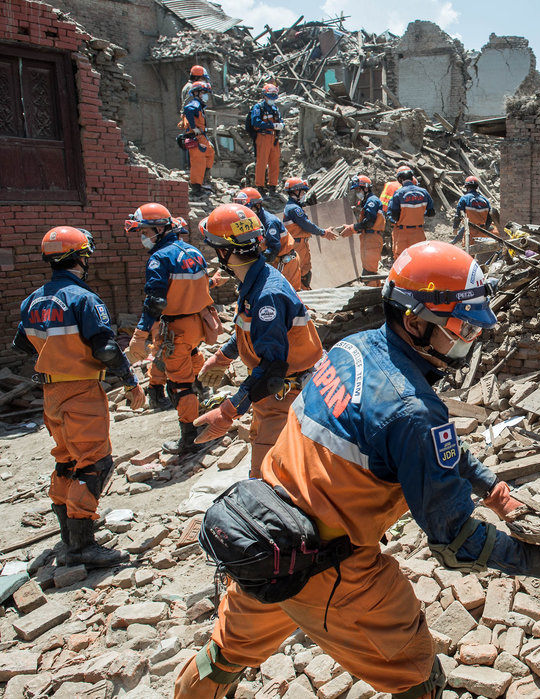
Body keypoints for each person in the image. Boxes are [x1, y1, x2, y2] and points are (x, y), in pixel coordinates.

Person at [173, 241, 540, 699]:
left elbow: (422, 448)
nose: (472, 337)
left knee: (222, 656)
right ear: (415, 320)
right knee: (416, 676)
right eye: (463, 326)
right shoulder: (413, 411)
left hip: (263, 536)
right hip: (334, 572)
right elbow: (456, 543)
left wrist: (491, 488)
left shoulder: (352, 348)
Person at [12, 227, 145, 568]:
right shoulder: (83, 298)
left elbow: (21, 345)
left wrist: (54, 352)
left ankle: (67, 534)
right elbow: (106, 349)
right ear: (81, 258)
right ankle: (82, 545)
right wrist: (130, 382)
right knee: (94, 463)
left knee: (66, 460)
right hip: (82, 390)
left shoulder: (33, 300)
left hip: (51, 392)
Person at [194, 203, 325, 476]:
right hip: (271, 396)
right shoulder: (257, 280)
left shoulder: (267, 295)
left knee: (271, 481)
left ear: (224, 251)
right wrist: (223, 357)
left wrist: (229, 411)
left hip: (285, 396)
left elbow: (273, 370)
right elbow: (251, 330)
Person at [124, 204, 215, 455]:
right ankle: (200, 399)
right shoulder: (193, 251)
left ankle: (189, 439)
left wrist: (141, 333)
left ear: (159, 228)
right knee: (192, 359)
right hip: (198, 323)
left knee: (179, 384)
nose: (143, 237)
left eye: (144, 231)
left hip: (178, 326)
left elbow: (155, 301)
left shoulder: (159, 258)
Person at [282, 177, 338, 290]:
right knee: (301, 274)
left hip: (301, 244)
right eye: (302, 191)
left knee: (304, 273)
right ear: (295, 191)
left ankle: (305, 294)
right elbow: (306, 224)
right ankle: (302, 297)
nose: (303, 194)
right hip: (298, 245)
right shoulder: (294, 209)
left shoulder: (294, 207)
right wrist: (324, 233)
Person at [386, 168, 434, 261]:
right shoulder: (424, 192)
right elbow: (431, 212)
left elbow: (394, 215)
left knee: (401, 259)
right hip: (418, 231)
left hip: (402, 232)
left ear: (400, 179)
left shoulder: (399, 193)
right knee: (419, 258)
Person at [346, 174, 385, 286]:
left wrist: (353, 227)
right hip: (368, 237)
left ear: (366, 188)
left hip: (371, 239)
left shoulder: (371, 201)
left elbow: (369, 222)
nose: (357, 192)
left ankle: (371, 299)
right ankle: (376, 297)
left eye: (359, 189)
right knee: (370, 269)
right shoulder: (368, 201)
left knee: (369, 272)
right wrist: (352, 228)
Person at [249, 84, 284, 198]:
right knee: (262, 163)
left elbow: (281, 121)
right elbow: (255, 122)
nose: (272, 99)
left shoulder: (275, 109)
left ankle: (273, 187)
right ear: (265, 95)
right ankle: (260, 187)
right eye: (270, 96)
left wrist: (281, 125)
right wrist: (271, 125)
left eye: (274, 96)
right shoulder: (258, 107)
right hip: (263, 137)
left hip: (274, 138)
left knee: (275, 163)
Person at [233, 187, 284, 264]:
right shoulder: (250, 220)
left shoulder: (270, 222)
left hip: (282, 262)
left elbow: (273, 250)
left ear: (257, 206)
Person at [182, 81, 215, 199]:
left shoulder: (200, 106)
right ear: (196, 93)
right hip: (196, 138)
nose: (206, 95)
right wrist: (194, 127)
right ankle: (196, 188)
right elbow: (188, 109)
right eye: (204, 92)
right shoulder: (195, 103)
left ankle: (203, 181)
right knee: (198, 162)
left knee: (210, 153)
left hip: (202, 137)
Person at [450, 176, 496, 248]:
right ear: (477, 187)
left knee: (468, 254)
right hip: (482, 231)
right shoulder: (485, 200)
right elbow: (490, 217)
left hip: (470, 232)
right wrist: (485, 228)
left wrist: (455, 227)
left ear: (467, 187)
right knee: (480, 253)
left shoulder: (464, 199)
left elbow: (458, 216)